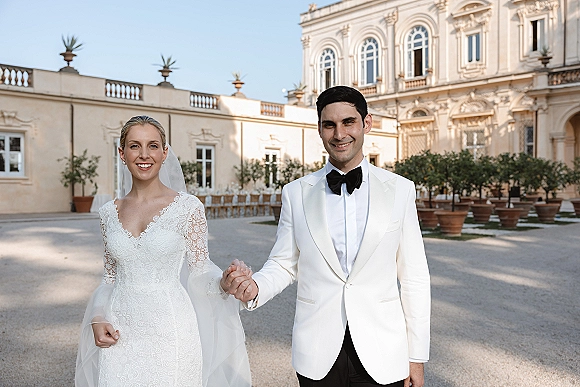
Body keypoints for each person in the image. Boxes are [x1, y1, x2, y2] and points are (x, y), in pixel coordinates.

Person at [222, 86, 431, 387]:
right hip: (318, 352)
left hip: (384, 351)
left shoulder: (400, 190)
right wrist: (254, 288)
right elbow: (284, 264)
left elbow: (414, 277)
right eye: (329, 124)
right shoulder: (296, 193)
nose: (339, 134)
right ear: (319, 129)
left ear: (366, 124)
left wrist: (417, 355)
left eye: (348, 122)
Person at [75, 115, 252, 387]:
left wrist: (223, 284)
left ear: (165, 152)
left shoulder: (188, 207)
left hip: (172, 331)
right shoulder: (108, 213)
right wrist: (98, 317)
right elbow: (109, 278)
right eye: (135, 146)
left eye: (153, 146)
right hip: (120, 331)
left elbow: (199, 271)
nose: (144, 154)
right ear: (122, 153)